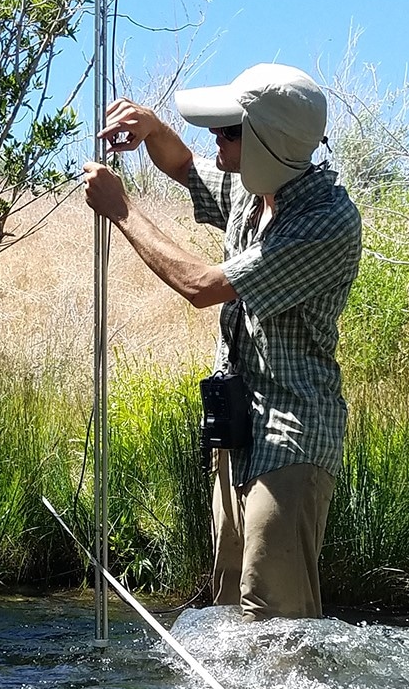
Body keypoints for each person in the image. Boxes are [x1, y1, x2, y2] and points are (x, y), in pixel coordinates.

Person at [83, 63, 361, 622]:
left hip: (292, 436)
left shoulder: (327, 222)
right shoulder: (257, 187)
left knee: (273, 617)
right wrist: (154, 131)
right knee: (231, 609)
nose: (217, 141)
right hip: (239, 431)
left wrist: (122, 209)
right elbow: (186, 168)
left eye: (229, 132)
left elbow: (203, 286)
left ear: (266, 143)